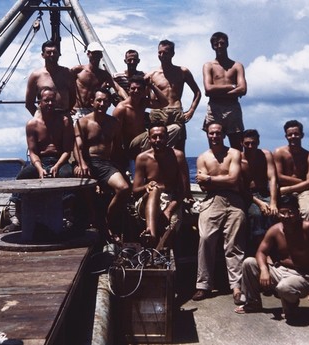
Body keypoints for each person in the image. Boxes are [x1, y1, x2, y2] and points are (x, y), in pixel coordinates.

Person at [235, 194, 309, 320]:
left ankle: (291, 306)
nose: (287, 216)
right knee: (249, 263)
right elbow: (261, 252)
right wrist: (264, 270)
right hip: (279, 270)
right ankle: (253, 303)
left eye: (291, 212)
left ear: (298, 213)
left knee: (284, 288)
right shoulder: (275, 230)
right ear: (278, 214)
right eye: (283, 213)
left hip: (302, 276)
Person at [192, 122, 246, 306]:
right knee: (205, 238)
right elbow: (203, 186)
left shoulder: (234, 153)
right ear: (207, 135)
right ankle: (203, 284)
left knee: (233, 244)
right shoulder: (202, 158)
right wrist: (215, 181)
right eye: (211, 133)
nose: (214, 136)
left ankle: (236, 286)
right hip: (212, 199)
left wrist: (210, 178)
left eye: (218, 133)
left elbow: (234, 179)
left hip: (234, 200)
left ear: (223, 135)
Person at [73, 88, 130, 242]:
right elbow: (77, 146)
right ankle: (97, 220)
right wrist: (81, 164)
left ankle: (107, 220)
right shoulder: (82, 122)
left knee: (124, 188)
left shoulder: (114, 123)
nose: (102, 103)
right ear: (92, 101)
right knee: (88, 190)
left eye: (105, 101)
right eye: (99, 100)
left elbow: (118, 148)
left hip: (105, 164)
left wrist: (121, 168)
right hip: (88, 162)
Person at [132, 122, 189, 250]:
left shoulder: (178, 156)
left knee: (172, 226)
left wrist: (169, 210)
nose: (158, 140)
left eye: (161, 137)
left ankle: (158, 251)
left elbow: (183, 190)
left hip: (171, 199)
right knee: (154, 189)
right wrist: (147, 186)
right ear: (149, 138)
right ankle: (151, 233)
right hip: (147, 201)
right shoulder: (142, 158)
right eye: (154, 137)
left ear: (167, 137)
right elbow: (135, 190)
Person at [146, 39, 201, 153]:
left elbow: (197, 92)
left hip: (176, 112)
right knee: (156, 149)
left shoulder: (182, 71)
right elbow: (144, 97)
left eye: (165, 53)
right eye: (159, 52)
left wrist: (191, 111)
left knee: (179, 149)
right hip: (158, 113)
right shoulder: (151, 75)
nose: (161, 55)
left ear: (172, 54)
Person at [202, 32, 247, 150]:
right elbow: (208, 89)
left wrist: (219, 92)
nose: (219, 46)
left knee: (237, 146)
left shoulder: (237, 66)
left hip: (232, 108)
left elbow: (242, 89)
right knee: (214, 144)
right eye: (216, 44)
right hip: (214, 107)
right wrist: (232, 86)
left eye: (222, 43)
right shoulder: (209, 66)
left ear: (227, 44)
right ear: (213, 46)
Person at [112, 75, 169, 166]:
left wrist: (151, 85)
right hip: (130, 146)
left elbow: (164, 103)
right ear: (128, 90)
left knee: (172, 129)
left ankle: (160, 162)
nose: (136, 91)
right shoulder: (121, 109)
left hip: (143, 142)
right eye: (133, 88)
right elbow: (115, 134)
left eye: (139, 89)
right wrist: (119, 155)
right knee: (154, 134)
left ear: (143, 91)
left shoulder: (143, 103)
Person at [19, 87, 74, 179]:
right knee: (22, 177)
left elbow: (67, 150)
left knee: (67, 174)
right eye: (46, 101)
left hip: (60, 161)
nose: (50, 103)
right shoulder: (32, 124)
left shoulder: (64, 122)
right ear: (39, 103)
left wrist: (57, 166)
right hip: (41, 161)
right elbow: (33, 152)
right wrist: (40, 168)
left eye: (53, 100)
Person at [241, 129, 278, 255]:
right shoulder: (239, 160)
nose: (250, 146)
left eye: (254, 143)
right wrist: (259, 203)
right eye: (247, 143)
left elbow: (272, 178)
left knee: (275, 213)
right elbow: (241, 188)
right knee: (256, 214)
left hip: (265, 192)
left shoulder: (266, 154)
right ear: (242, 143)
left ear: (258, 142)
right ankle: (260, 252)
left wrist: (273, 201)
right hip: (249, 195)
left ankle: (275, 250)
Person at [70, 42, 127, 122]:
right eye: (93, 53)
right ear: (88, 54)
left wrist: (128, 101)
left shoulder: (104, 75)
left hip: (93, 111)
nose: (96, 56)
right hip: (76, 110)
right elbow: (63, 85)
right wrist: (66, 105)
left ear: (101, 55)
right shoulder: (78, 70)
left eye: (98, 53)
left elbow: (118, 88)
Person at [273, 120, 309, 220]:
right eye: (290, 134)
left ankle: (306, 234)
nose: (293, 137)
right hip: (284, 190)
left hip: (303, 191)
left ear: (302, 135)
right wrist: (303, 182)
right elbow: (279, 177)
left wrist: (288, 189)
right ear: (286, 136)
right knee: (276, 213)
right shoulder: (279, 153)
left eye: (296, 134)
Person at [25, 40, 76, 116]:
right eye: (48, 52)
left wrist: (68, 112)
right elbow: (29, 104)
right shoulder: (36, 76)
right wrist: (40, 118)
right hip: (44, 119)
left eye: (54, 52)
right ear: (43, 55)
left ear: (59, 54)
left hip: (64, 117)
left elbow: (73, 98)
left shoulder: (67, 73)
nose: (52, 55)